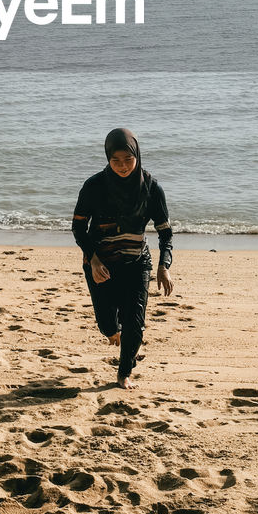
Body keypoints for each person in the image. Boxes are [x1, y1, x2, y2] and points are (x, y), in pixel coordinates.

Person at [72, 127, 173, 390]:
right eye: (115, 160)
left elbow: (165, 232)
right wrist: (92, 260)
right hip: (100, 263)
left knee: (135, 323)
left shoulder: (151, 188)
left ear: (137, 156)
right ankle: (114, 332)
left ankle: (124, 373)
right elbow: (78, 228)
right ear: (107, 158)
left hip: (136, 262)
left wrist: (164, 267)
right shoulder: (93, 187)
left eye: (128, 160)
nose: (123, 166)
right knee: (107, 325)